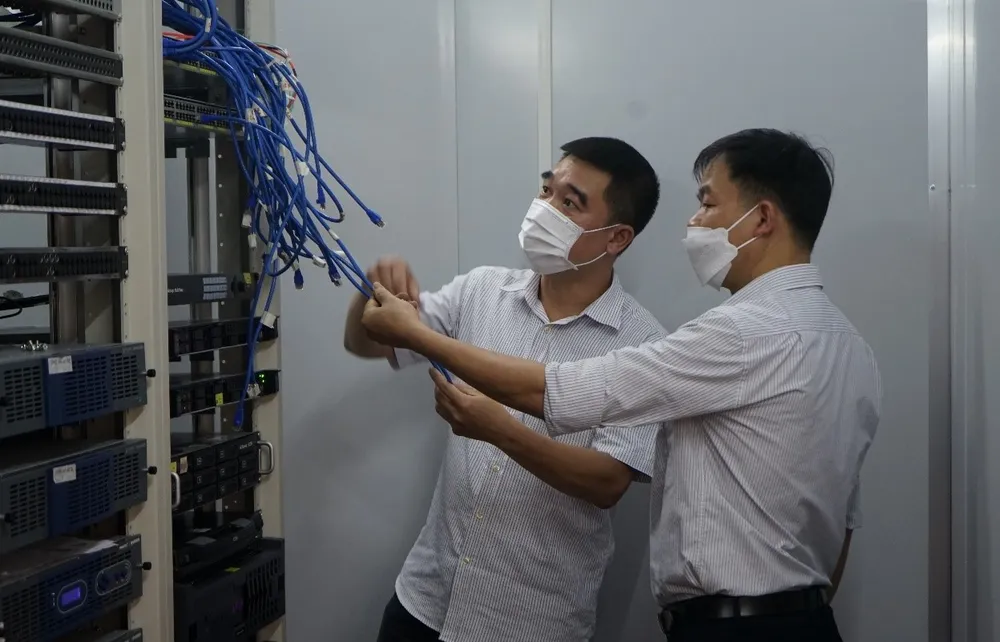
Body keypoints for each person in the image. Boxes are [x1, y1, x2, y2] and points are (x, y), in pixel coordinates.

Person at [361, 128, 882, 642]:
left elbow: (565, 395)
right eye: (547, 191)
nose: (694, 222)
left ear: (762, 219)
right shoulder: (853, 349)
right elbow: (843, 522)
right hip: (804, 618)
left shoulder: (735, 334)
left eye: (707, 203)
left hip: (708, 625)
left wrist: (428, 347)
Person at [343, 136, 666, 642]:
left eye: (570, 203)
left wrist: (501, 432)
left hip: (530, 621)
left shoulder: (644, 345)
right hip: (426, 600)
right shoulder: (481, 290)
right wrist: (372, 293)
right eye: (546, 190)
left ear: (617, 238)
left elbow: (606, 483)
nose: (545, 209)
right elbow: (368, 343)